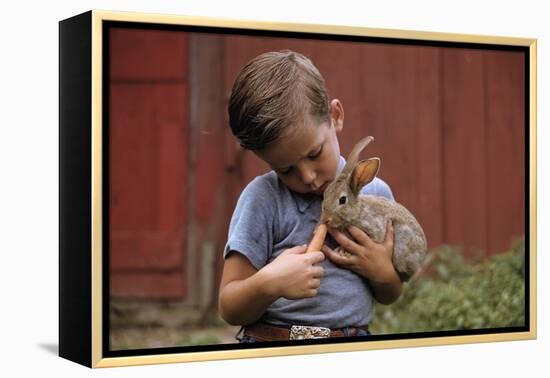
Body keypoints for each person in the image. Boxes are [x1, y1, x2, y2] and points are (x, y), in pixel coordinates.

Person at [218, 50, 402, 342]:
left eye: (314, 154)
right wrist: (269, 284)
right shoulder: (263, 199)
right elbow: (229, 306)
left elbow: (390, 294)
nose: (307, 177)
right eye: (285, 169)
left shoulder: (374, 194)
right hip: (272, 345)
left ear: (335, 117)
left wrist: (382, 271)